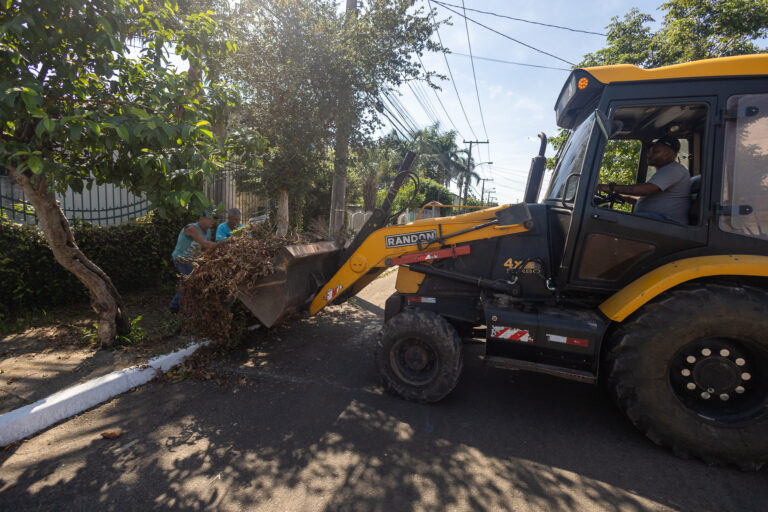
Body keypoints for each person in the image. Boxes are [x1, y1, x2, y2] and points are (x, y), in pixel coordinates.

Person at [597, 136, 691, 224]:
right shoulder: (665, 172)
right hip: (656, 221)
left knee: (607, 221)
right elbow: (648, 198)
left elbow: (647, 190)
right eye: (650, 151)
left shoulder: (674, 169)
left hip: (667, 223)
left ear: (671, 154)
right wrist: (623, 197)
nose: (649, 154)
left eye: (655, 151)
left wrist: (612, 187)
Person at [169, 211, 218, 313]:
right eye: (209, 218)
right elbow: (205, 243)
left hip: (192, 261)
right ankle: (189, 312)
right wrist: (224, 244)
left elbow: (205, 249)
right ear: (200, 218)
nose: (212, 221)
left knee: (187, 282)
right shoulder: (191, 228)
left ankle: (174, 306)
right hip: (181, 259)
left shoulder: (208, 232)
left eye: (214, 218)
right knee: (190, 283)